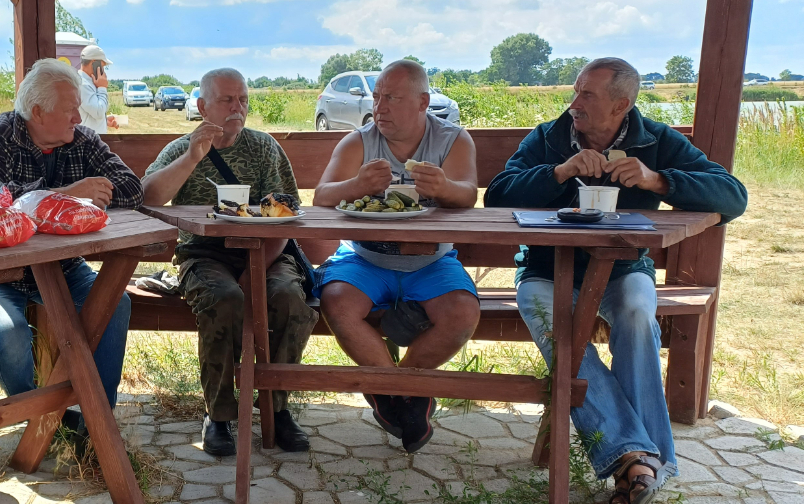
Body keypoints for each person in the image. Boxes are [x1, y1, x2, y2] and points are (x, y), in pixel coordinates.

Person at [484, 57, 747, 504]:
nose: (574, 103)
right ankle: (641, 461)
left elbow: (732, 195)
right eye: (575, 91)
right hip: (545, 270)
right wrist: (558, 172)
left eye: (586, 95)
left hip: (624, 268)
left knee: (636, 315)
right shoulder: (549, 137)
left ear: (621, 104)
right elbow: (497, 196)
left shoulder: (656, 140)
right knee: (560, 333)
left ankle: (634, 457)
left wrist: (659, 180)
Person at [0, 58, 142, 437]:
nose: (79, 116)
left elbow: (132, 189)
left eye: (78, 106)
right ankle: (42, 421)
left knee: (116, 303)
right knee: (10, 333)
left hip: (62, 269)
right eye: (70, 108)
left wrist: (92, 193)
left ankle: (97, 422)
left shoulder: (83, 141)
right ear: (37, 112)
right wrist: (62, 196)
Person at [142, 67, 316, 457]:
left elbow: (287, 213)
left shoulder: (264, 147)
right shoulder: (181, 148)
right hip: (204, 254)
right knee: (224, 299)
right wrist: (192, 156)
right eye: (226, 100)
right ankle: (218, 416)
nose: (237, 108)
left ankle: (277, 409)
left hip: (269, 249)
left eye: (243, 100)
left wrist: (253, 269)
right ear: (202, 106)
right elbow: (148, 196)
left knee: (288, 296)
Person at [309, 60, 480, 453]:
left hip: (432, 261)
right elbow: (321, 198)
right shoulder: (358, 142)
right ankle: (405, 397)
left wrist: (446, 187)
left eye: (392, 97)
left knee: (462, 314)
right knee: (337, 302)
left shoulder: (453, 139)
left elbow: (468, 195)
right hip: (366, 259)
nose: (380, 106)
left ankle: (393, 390)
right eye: (377, 96)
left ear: (422, 102)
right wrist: (355, 184)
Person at [77, 45, 120, 133]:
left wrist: (104, 121)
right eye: (102, 66)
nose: (103, 70)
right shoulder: (82, 84)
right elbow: (98, 112)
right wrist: (102, 87)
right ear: (94, 63)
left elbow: (92, 112)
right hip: (89, 142)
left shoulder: (88, 82)